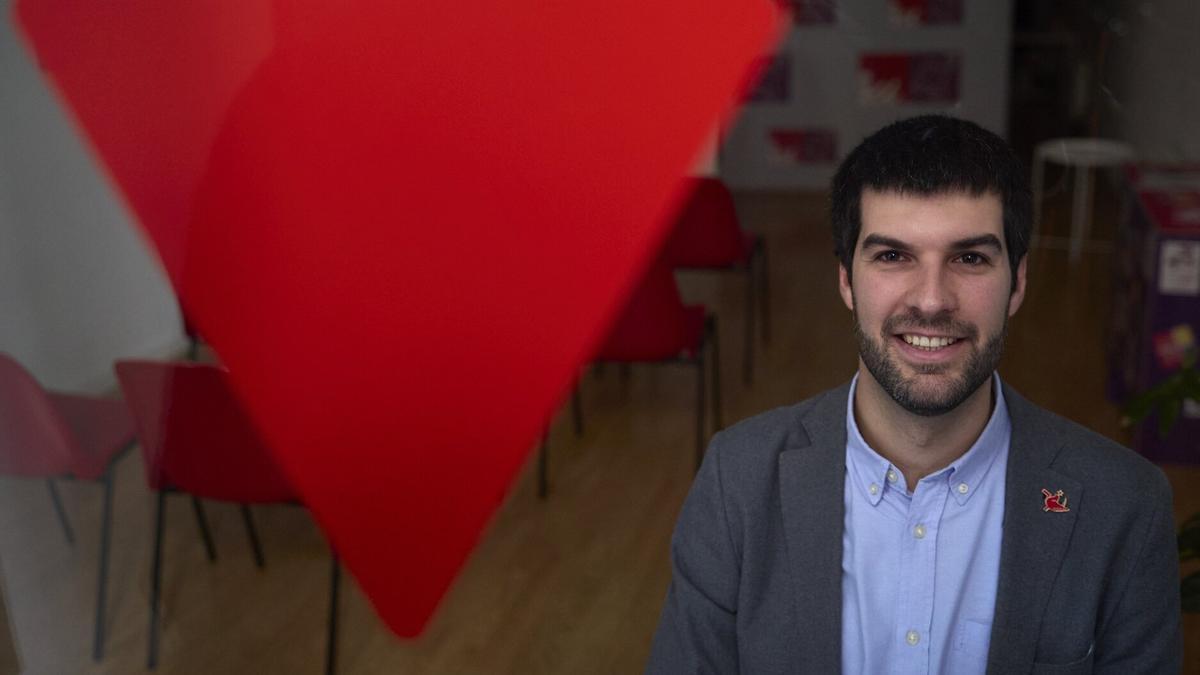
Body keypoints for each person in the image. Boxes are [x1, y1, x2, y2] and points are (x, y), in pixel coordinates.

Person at [646, 115, 1181, 674]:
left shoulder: (1125, 506)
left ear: (1018, 282)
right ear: (846, 281)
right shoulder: (737, 481)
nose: (930, 301)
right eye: (893, 256)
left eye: (970, 258)